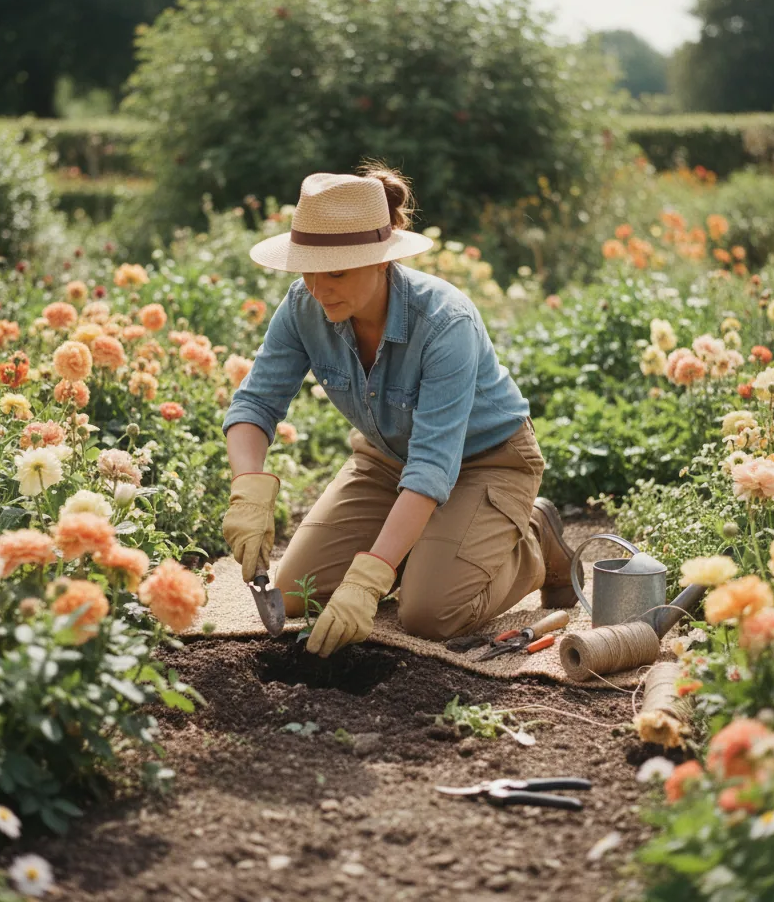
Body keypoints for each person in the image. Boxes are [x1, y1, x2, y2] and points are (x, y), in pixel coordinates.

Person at [220, 166, 578, 659]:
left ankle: (533, 541)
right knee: (298, 591)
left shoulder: (445, 321)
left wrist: (370, 577)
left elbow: (432, 467)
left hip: (486, 462)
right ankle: (430, 548)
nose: (319, 289)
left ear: (381, 262)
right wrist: (248, 492)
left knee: (429, 613)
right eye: (308, 269)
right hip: (386, 462)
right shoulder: (305, 305)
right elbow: (255, 403)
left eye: (337, 272)